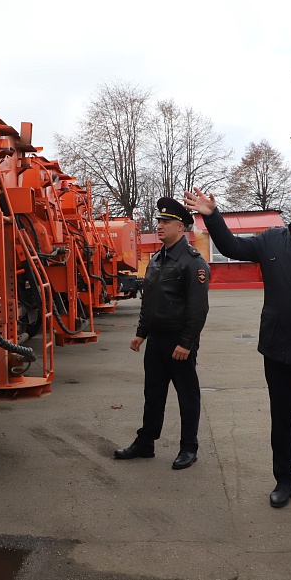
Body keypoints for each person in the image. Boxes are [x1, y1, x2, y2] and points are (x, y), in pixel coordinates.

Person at [183, 182, 291, 511]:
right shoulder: (272, 240)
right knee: (282, 418)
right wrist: (213, 215)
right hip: (278, 348)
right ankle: (284, 479)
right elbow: (232, 246)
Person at [115, 197, 210, 470]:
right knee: (153, 394)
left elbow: (198, 308)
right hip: (156, 340)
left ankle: (189, 447)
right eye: (159, 221)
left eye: (166, 222)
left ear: (180, 227)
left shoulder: (193, 262)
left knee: (187, 396)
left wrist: (186, 343)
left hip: (179, 341)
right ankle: (146, 442)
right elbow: (150, 301)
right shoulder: (157, 259)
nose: (159, 225)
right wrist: (141, 333)